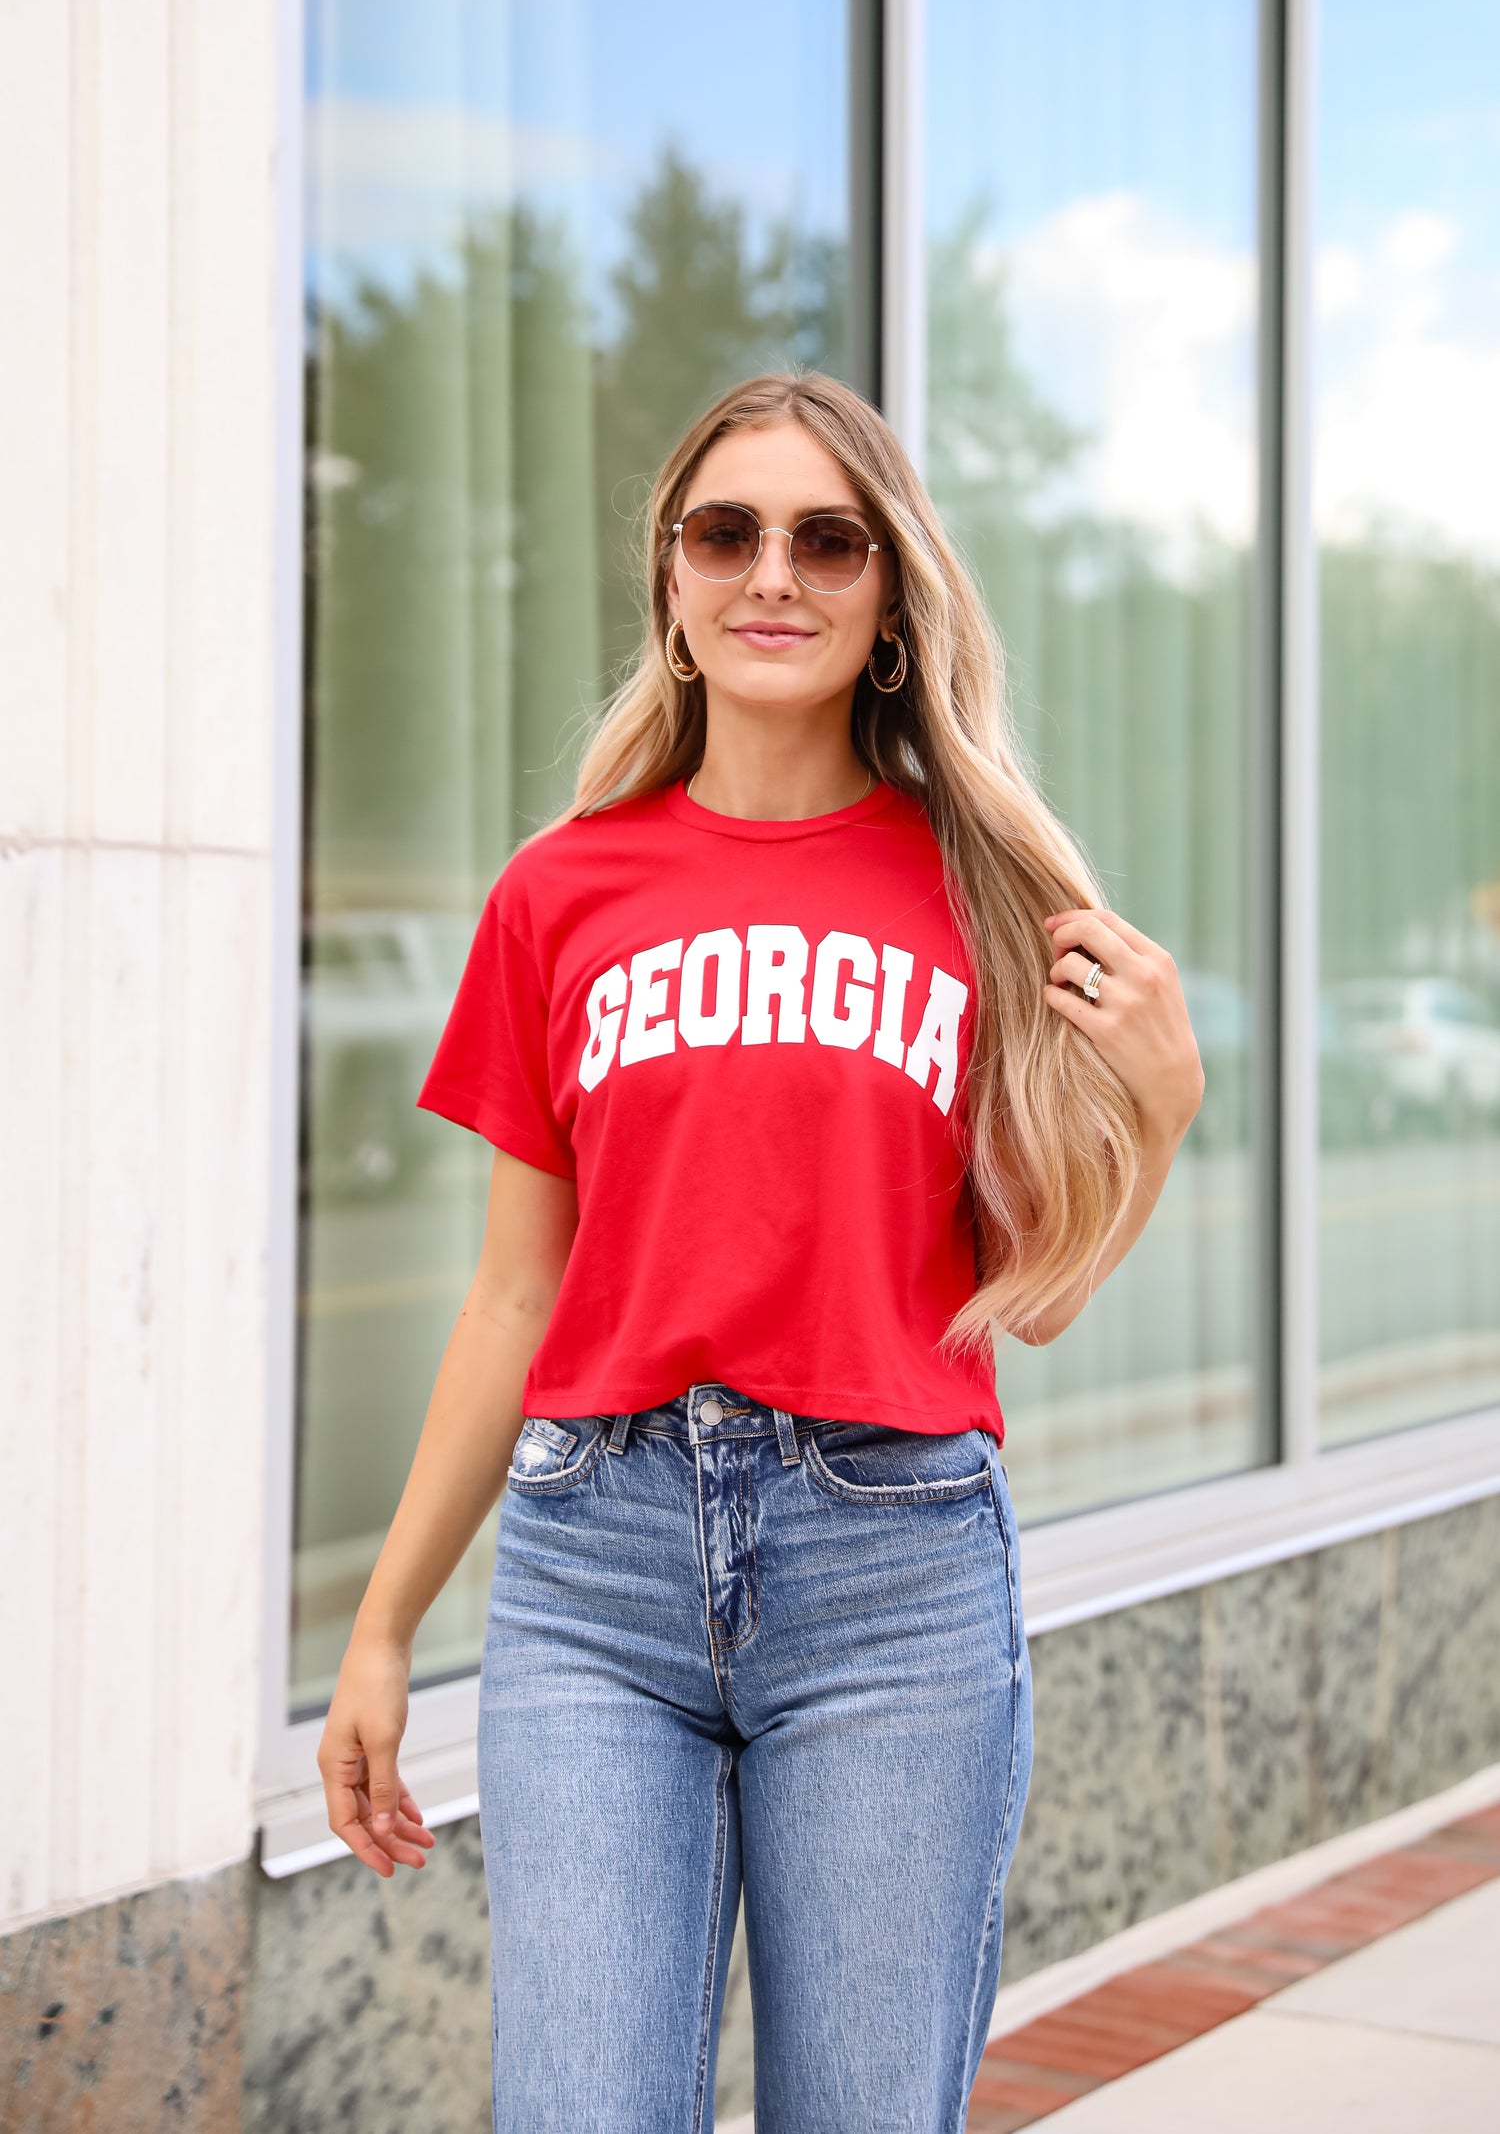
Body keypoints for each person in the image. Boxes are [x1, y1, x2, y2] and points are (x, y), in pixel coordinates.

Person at [317, 371, 1205, 2132]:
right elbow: (512, 1296)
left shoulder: (983, 899)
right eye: (725, 532)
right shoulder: (561, 892)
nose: (772, 572)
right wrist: (380, 1624)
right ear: (669, 579)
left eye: (828, 537)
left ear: (889, 596)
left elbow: (1027, 1292)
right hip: (595, 1576)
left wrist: (1162, 1111)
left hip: (893, 1577)